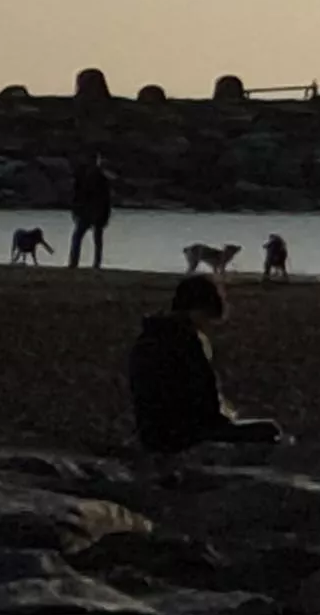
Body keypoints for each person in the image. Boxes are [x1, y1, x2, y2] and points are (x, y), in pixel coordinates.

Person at [129, 275, 285, 456]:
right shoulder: (187, 341)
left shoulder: (150, 335)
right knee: (270, 429)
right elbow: (204, 398)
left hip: (151, 432)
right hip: (183, 433)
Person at [69, 150, 114, 271]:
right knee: (90, 238)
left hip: (91, 211)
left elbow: (78, 194)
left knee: (82, 237)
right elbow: (106, 198)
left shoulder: (89, 176)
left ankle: (77, 262)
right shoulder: (90, 176)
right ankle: (92, 263)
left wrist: (75, 209)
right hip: (91, 211)